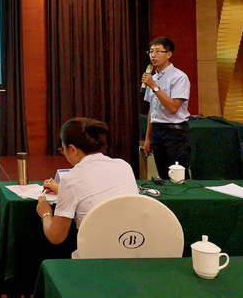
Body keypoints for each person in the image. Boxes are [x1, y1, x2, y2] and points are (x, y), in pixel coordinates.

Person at [35, 117, 137, 254]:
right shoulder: (123, 165)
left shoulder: (71, 179)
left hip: (97, 256)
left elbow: (56, 237)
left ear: (72, 149)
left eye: (63, 150)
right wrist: (62, 191)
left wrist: (45, 212)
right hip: (133, 247)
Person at [141, 36, 191, 179]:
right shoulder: (153, 77)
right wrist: (148, 138)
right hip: (157, 132)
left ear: (168, 54)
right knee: (163, 176)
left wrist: (155, 87)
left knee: (178, 177)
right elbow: (152, 110)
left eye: (158, 51)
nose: (153, 55)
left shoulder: (179, 77)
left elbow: (173, 108)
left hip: (175, 134)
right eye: (151, 51)